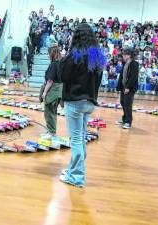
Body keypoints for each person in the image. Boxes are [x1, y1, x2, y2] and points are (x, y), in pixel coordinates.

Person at [58, 23, 106, 188]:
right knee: (81, 138)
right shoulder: (97, 56)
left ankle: (77, 177)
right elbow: (98, 81)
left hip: (75, 101)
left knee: (76, 139)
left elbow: (63, 76)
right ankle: (72, 170)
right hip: (89, 102)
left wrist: (63, 58)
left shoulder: (74, 55)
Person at [39, 44, 63, 139]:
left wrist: (44, 93)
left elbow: (50, 80)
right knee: (52, 111)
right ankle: (50, 130)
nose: (47, 55)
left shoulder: (53, 65)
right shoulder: (60, 63)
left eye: (48, 53)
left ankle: (52, 133)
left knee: (49, 112)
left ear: (52, 54)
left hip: (53, 91)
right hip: (58, 91)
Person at [116, 48, 139, 129]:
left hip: (129, 88)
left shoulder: (134, 64)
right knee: (122, 102)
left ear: (128, 55)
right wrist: (119, 88)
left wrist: (128, 87)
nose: (123, 56)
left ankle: (128, 122)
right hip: (123, 87)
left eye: (124, 54)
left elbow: (133, 77)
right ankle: (125, 118)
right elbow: (121, 76)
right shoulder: (125, 63)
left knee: (128, 104)